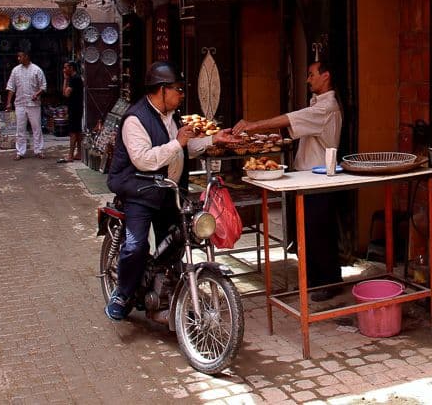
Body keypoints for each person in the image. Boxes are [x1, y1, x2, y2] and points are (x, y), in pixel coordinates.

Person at [104, 61, 238, 321]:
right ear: (162, 89)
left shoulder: (171, 116)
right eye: (178, 89)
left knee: (177, 241)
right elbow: (144, 160)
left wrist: (213, 139)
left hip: (168, 191)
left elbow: (182, 149)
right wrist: (178, 142)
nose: (182, 94)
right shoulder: (135, 119)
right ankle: (122, 293)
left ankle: (166, 290)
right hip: (139, 192)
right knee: (136, 245)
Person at [232, 61, 343, 301]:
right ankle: (314, 281)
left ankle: (329, 282)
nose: (308, 79)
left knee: (319, 232)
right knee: (310, 233)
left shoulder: (327, 107)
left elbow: (290, 119)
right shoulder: (318, 104)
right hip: (307, 176)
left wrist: (253, 125)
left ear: (326, 76)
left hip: (319, 178)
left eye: (312, 74)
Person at [5, 50, 47, 160]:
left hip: (33, 104)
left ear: (26, 56)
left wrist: (37, 94)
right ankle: (20, 152)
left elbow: (43, 86)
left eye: (20, 56)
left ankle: (39, 150)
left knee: (36, 128)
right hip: (20, 103)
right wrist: (8, 103)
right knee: (20, 129)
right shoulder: (15, 70)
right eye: (18, 56)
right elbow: (11, 88)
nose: (18, 58)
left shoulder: (37, 70)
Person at [58, 61, 84, 163]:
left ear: (71, 68)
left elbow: (66, 94)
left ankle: (71, 155)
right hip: (76, 107)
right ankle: (79, 153)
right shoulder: (75, 78)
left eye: (66, 68)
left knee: (73, 132)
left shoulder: (74, 79)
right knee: (77, 131)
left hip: (75, 108)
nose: (64, 70)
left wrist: (65, 79)